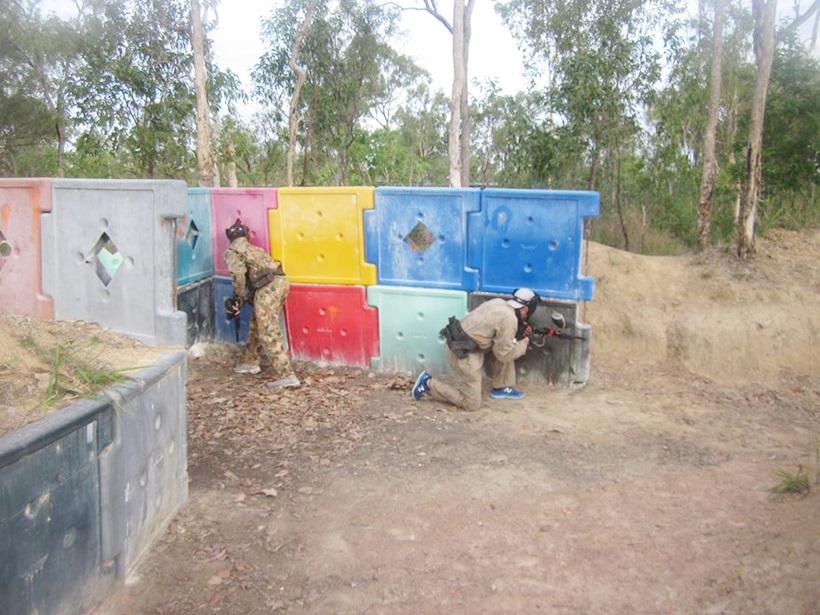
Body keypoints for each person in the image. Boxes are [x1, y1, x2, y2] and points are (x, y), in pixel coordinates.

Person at [411, 288, 540, 411]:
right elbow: (504, 355)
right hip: (463, 353)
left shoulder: (500, 303)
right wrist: (524, 343)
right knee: (471, 404)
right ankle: (428, 383)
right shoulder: (509, 319)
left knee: (505, 345)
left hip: (463, 342)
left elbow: (498, 333)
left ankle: (502, 386)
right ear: (527, 309)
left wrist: (518, 332)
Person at [223, 219, 300, 389]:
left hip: (269, 287)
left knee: (268, 329)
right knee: (257, 323)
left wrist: (239, 295)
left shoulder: (233, 251)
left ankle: (287, 375)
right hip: (281, 282)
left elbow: (238, 275)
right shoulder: (254, 249)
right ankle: (251, 362)